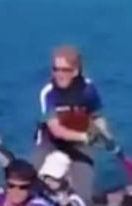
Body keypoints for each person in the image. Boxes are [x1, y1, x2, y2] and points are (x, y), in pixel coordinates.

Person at [34, 44, 107, 196]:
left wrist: (105, 134)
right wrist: (86, 137)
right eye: (55, 69)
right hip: (50, 143)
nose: (59, 74)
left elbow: (97, 116)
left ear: (75, 71)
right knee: (31, 186)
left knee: (84, 196)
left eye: (64, 70)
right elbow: (56, 130)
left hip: (80, 146)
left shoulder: (88, 89)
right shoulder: (48, 93)